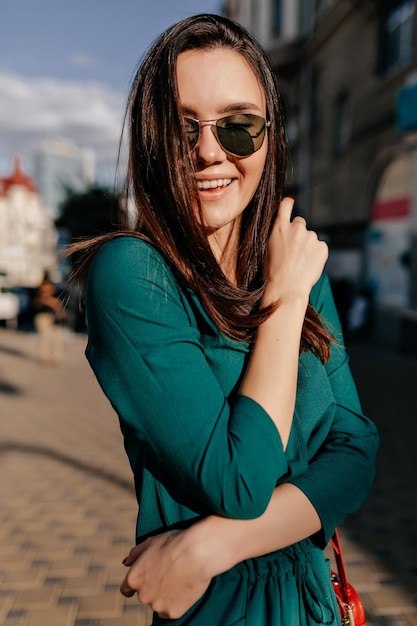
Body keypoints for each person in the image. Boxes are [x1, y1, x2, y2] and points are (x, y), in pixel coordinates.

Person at [71, 14, 378, 625]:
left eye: (239, 125)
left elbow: (356, 451)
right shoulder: (133, 274)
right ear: (151, 139)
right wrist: (286, 304)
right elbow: (239, 479)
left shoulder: (293, 264)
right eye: (184, 127)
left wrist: (211, 545)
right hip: (223, 611)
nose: (210, 150)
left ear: (270, 135)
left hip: (312, 604)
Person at [33, 271, 64, 365]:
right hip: (42, 315)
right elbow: (35, 303)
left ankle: (55, 357)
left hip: (52, 315)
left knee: (55, 338)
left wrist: (49, 301)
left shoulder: (55, 290)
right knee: (45, 337)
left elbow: (59, 304)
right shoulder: (38, 291)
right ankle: (45, 357)